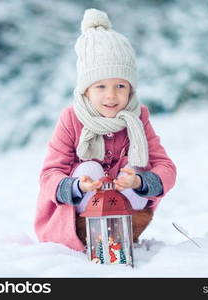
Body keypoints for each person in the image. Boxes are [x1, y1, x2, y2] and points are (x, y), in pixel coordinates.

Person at [35, 8, 176, 252]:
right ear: (86, 90)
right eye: (100, 86)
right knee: (90, 168)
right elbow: (49, 174)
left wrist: (139, 181)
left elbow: (166, 167)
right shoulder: (71, 118)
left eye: (120, 85)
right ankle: (86, 235)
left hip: (125, 211)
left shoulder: (138, 117)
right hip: (77, 213)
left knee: (137, 167)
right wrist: (78, 186)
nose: (111, 95)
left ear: (130, 89)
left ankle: (118, 233)